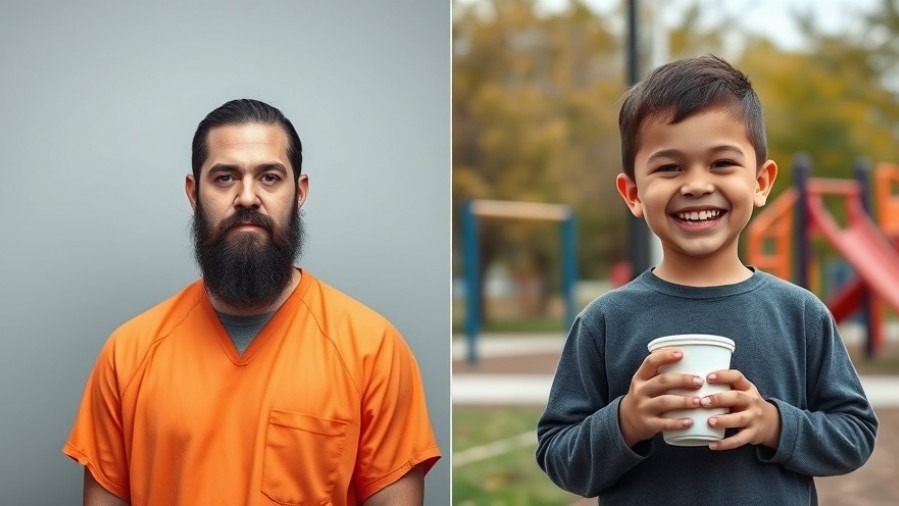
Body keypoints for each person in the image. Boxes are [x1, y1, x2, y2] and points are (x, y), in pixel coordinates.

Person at [63, 99, 441, 506]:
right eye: (225, 177)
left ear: (299, 192)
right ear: (193, 193)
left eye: (269, 178)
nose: (247, 197)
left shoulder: (373, 350)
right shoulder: (127, 353)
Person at [535, 55, 877, 504]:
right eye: (669, 167)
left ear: (760, 182)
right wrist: (625, 422)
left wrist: (773, 424)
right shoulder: (605, 320)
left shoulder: (799, 314)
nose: (696, 185)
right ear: (633, 193)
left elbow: (855, 434)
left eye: (721, 163)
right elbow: (558, 455)